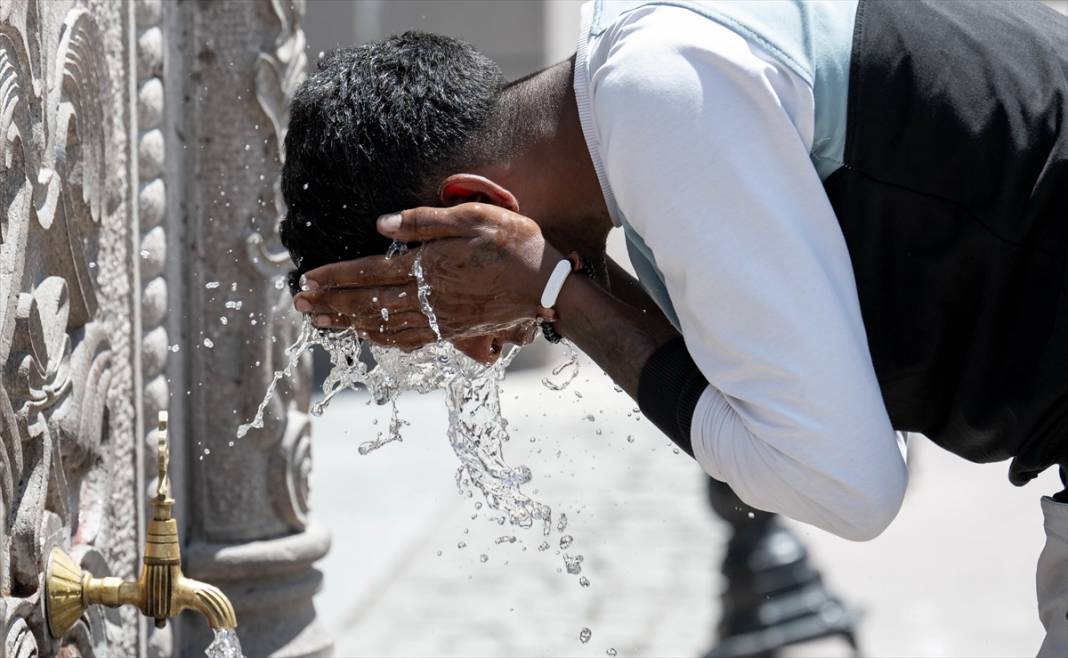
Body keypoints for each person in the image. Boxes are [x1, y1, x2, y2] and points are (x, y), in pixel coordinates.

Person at [281, 1, 1068, 655]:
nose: (481, 347)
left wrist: (555, 288)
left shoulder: (660, 94)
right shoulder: (646, 94)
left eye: (444, 302)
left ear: (472, 204)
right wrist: (568, 279)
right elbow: (833, 414)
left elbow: (849, 483)